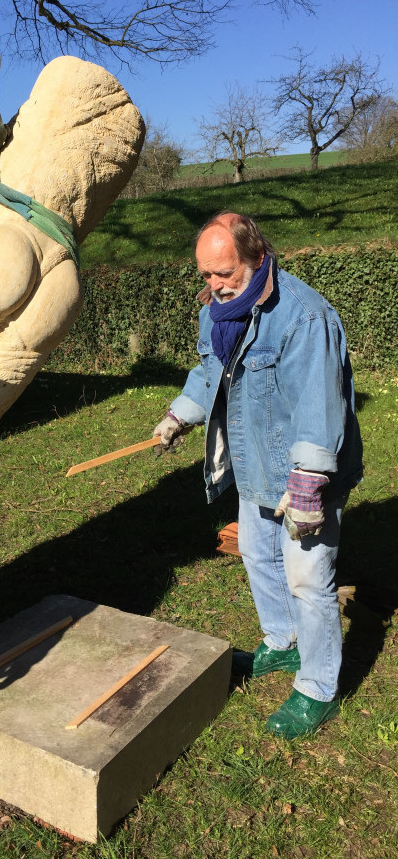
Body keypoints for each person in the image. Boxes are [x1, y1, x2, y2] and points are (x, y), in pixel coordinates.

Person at [153, 212, 362, 739]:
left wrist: (310, 483)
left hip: (303, 473)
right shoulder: (216, 314)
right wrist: (181, 413)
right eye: (205, 274)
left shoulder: (302, 317)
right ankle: (282, 643)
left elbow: (320, 406)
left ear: (255, 256)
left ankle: (317, 687)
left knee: (308, 578)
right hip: (253, 461)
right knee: (256, 552)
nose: (215, 286)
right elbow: (209, 372)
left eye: (225, 273)